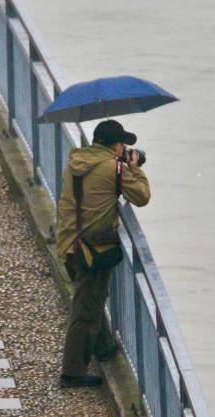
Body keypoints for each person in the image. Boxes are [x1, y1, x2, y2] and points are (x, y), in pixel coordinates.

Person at [55, 119, 151, 388]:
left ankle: (105, 348)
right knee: (85, 310)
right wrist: (134, 169)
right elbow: (142, 196)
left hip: (69, 242)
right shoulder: (114, 168)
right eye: (123, 144)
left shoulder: (77, 161)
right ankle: (71, 373)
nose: (125, 149)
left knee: (93, 296)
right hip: (91, 248)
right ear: (116, 145)